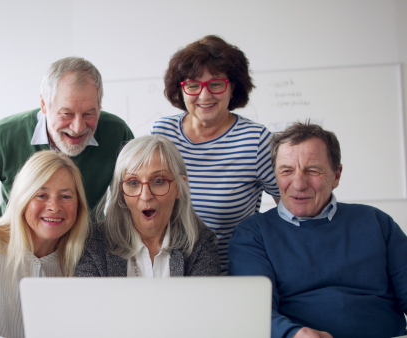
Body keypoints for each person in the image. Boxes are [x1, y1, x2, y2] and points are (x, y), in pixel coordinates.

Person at [228, 121, 407, 338]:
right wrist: (292, 333)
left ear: (336, 175)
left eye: (312, 170)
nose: (299, 184)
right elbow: (255, 310)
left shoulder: (376, 221)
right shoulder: (253, 233)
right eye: (287, 171)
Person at [0, 56, 134, 230]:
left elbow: (133, 200)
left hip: (85, 257)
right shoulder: (3, 136)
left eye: (89, 114)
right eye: (66, 114)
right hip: (16, 255)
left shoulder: (117, 133)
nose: (77, 127)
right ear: (44, 105)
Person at [151, 35, 279, 273]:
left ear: (233, 86)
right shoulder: (162, 134)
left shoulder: (256, 141)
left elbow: (289, 210)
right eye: (193, 85)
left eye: (216, 84)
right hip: (168, 275)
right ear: (182, 89)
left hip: (231, 276)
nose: (205, 95)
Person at [0, 150, 89, 337]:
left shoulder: (85, 253)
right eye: (41, 195)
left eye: (66, 196)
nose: (54, 206)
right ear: (23, 198)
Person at [75, 135, 220, 277]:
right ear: (121, 191)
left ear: (180, 188)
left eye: (158, 181)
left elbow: (202, 301)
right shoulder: (92, 243)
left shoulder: (201, 243)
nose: (145, 195)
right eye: (133, 182)